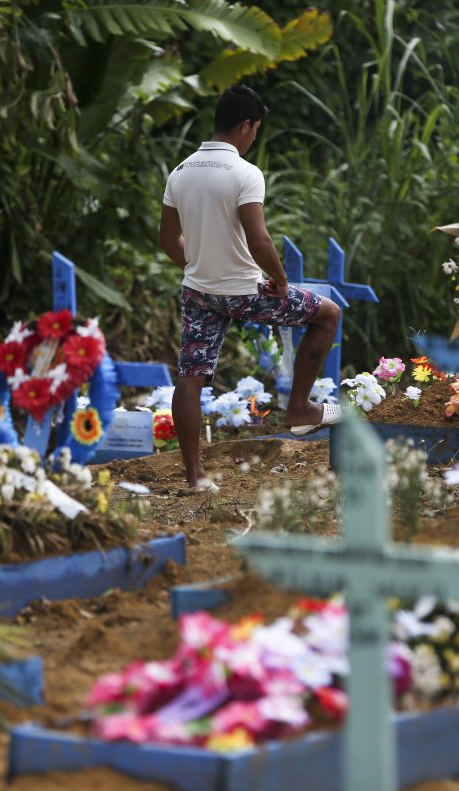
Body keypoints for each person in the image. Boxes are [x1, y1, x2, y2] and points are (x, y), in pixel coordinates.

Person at [159, 84, 342, 489]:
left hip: (198, 293)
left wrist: (199, 267)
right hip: (245, 292)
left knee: (190, 376)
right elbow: (259, 240)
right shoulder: (245, 173)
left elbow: (168, 239)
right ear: (246, 124)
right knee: (328, 314)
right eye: (255, 130)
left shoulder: (181, 172)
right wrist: (280, 280)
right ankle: (299, 410)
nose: (254, 138)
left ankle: (195, 476)